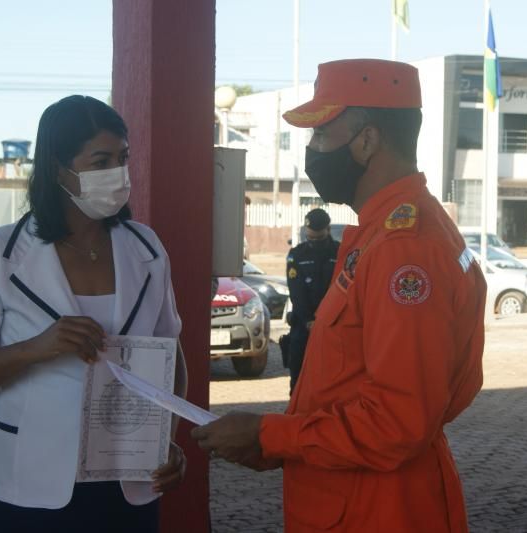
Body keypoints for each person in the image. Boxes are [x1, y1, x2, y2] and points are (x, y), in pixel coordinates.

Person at [192, 59, 486, 532]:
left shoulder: (403, 248)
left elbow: (399, 420)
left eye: (322, 135)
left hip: (379, 510)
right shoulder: (381, 233)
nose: (312, 150)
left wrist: (270, 435)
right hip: (354, 499)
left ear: (367, 141)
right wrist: (276, 441)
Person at [0, 95, 188, 533]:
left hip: (127, 481)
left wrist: (166, 437)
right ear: (56, 169)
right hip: (27, 483)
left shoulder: (146, 248)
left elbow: (170, 359)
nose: (118, 173)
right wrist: (36, 348)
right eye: (101, 161)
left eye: (123, 158)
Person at [285, 208, 339, 393]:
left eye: (318, 238)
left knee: (332, 378)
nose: (314, 242)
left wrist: (324, 320)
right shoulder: (297, 254)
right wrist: (309, 320)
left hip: (333, 324)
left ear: (328, 230)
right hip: (303, 324)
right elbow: (296, 291)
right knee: (298, 376)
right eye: (310, 237)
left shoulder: (340, 252)